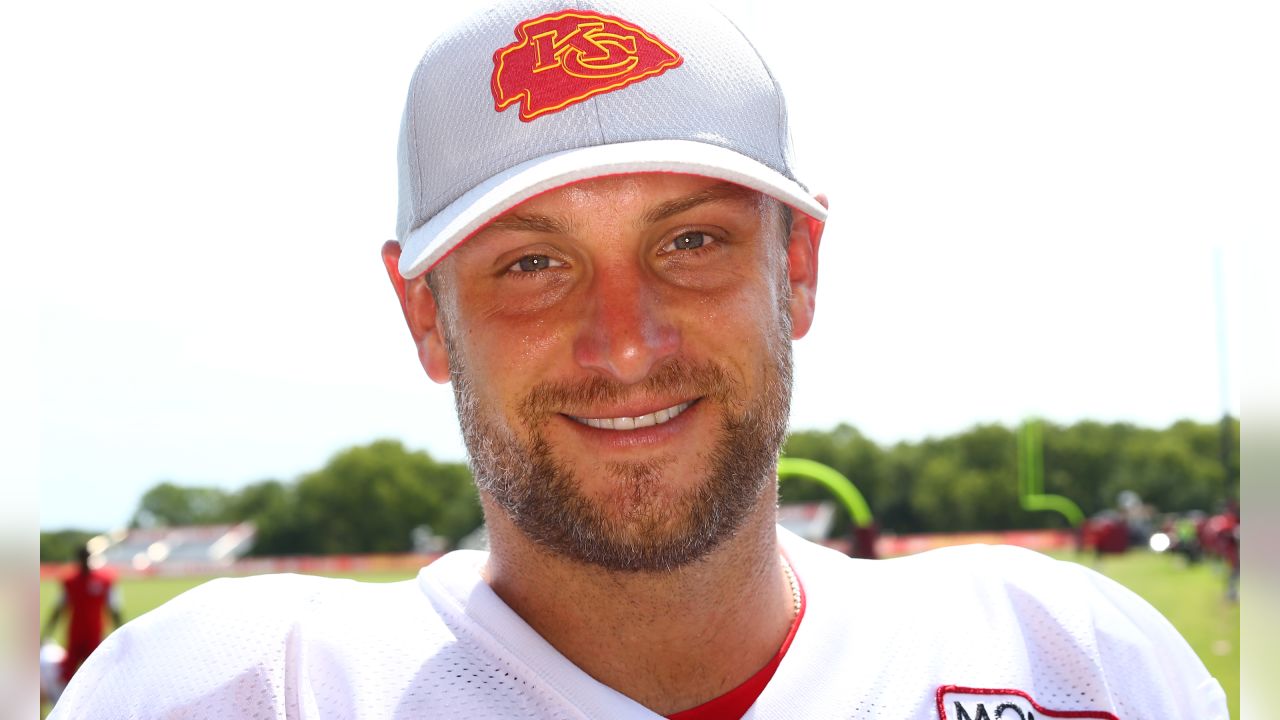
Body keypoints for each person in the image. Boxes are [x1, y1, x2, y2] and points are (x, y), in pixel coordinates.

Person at [52, 1, 1229, 717]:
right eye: (531, 263)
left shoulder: (1075, 666)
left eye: (691, 241)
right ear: (423, 313)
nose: (626, 341)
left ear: (797, 267)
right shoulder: (246, 693)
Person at [41, 546, 123, 703]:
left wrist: (123, 631)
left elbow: (114, 608)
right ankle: (65, 705)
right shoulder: (70, 581)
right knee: (67, 674)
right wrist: (46, 633)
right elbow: (59, 608)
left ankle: (96, 706)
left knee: (98, 675)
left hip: (95, 634)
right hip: (75, 634)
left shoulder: (104, 580)